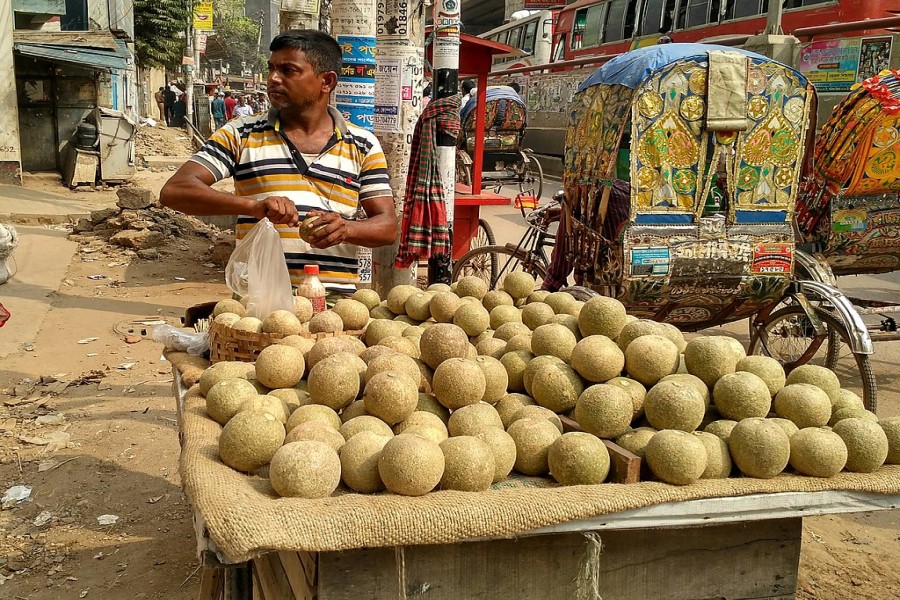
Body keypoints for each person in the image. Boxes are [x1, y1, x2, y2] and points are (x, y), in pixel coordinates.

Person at [159, 29, 397, 294]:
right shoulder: (240, 133)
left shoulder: (363, 144)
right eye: (271, 68)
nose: (273, 78)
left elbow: (387, 227)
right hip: (260, 304)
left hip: (334, 307)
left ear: (326, 81)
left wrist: (346, 229)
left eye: (288, 70)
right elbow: (175, 191)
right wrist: (253, 206)